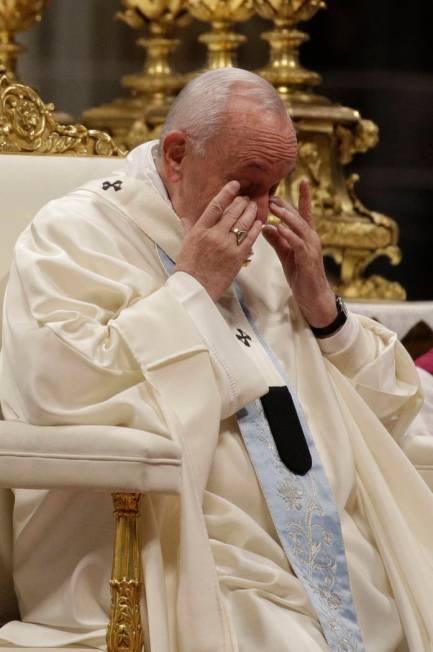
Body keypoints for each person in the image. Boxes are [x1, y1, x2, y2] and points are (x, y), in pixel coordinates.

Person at [1, 67, 433, 652]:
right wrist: (192, 289)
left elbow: (391, 406)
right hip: (186, 546)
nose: (261, 211)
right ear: (177, 155)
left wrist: (323, 311)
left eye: (275, 188)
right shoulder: (73, 235)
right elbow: (63, 389)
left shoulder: (254, 241)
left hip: (331, 543)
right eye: (248, 184)